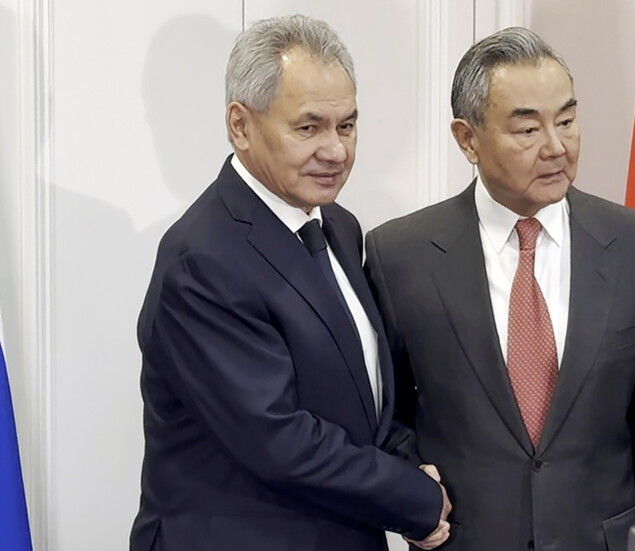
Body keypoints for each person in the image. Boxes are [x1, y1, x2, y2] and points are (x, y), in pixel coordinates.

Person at [364, 27, 635, 551]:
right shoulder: (399, 256)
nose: (556, 147)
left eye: (566, 121)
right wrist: (414, 491)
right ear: (467, 139)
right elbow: (385, 416)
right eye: (527, 129)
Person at [129, 15, 450, 551]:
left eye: (346, 126)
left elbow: (359, 398)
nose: (336, 150)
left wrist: (410, 465)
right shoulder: (202, 259)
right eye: (309, 128)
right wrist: (415, 499)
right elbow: (277, 440)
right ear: (240, 125)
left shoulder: (339, 227)